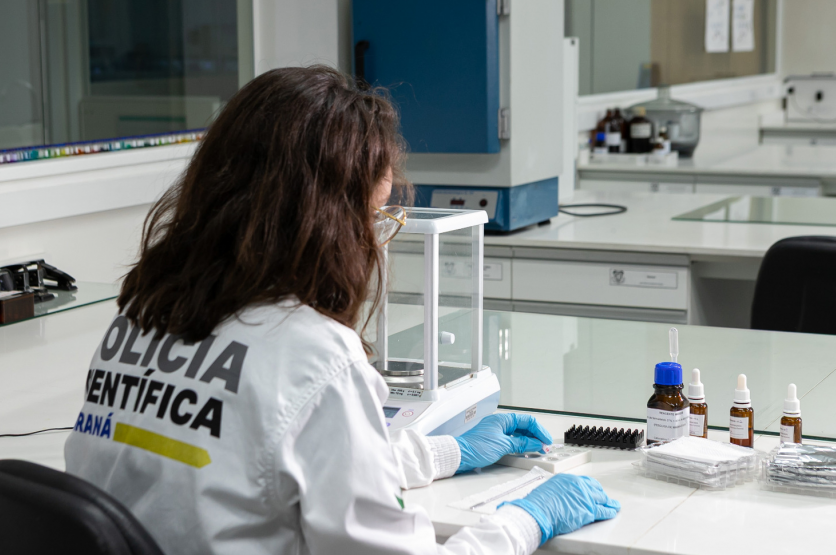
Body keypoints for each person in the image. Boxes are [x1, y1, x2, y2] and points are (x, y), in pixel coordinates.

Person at [64, 65, 620, 555]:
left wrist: (443, 454)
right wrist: (525, 520)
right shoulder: (316, 356)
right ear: (324, 222)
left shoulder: (138, 319)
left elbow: (250, 459)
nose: (374, 240)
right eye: (374, 216)